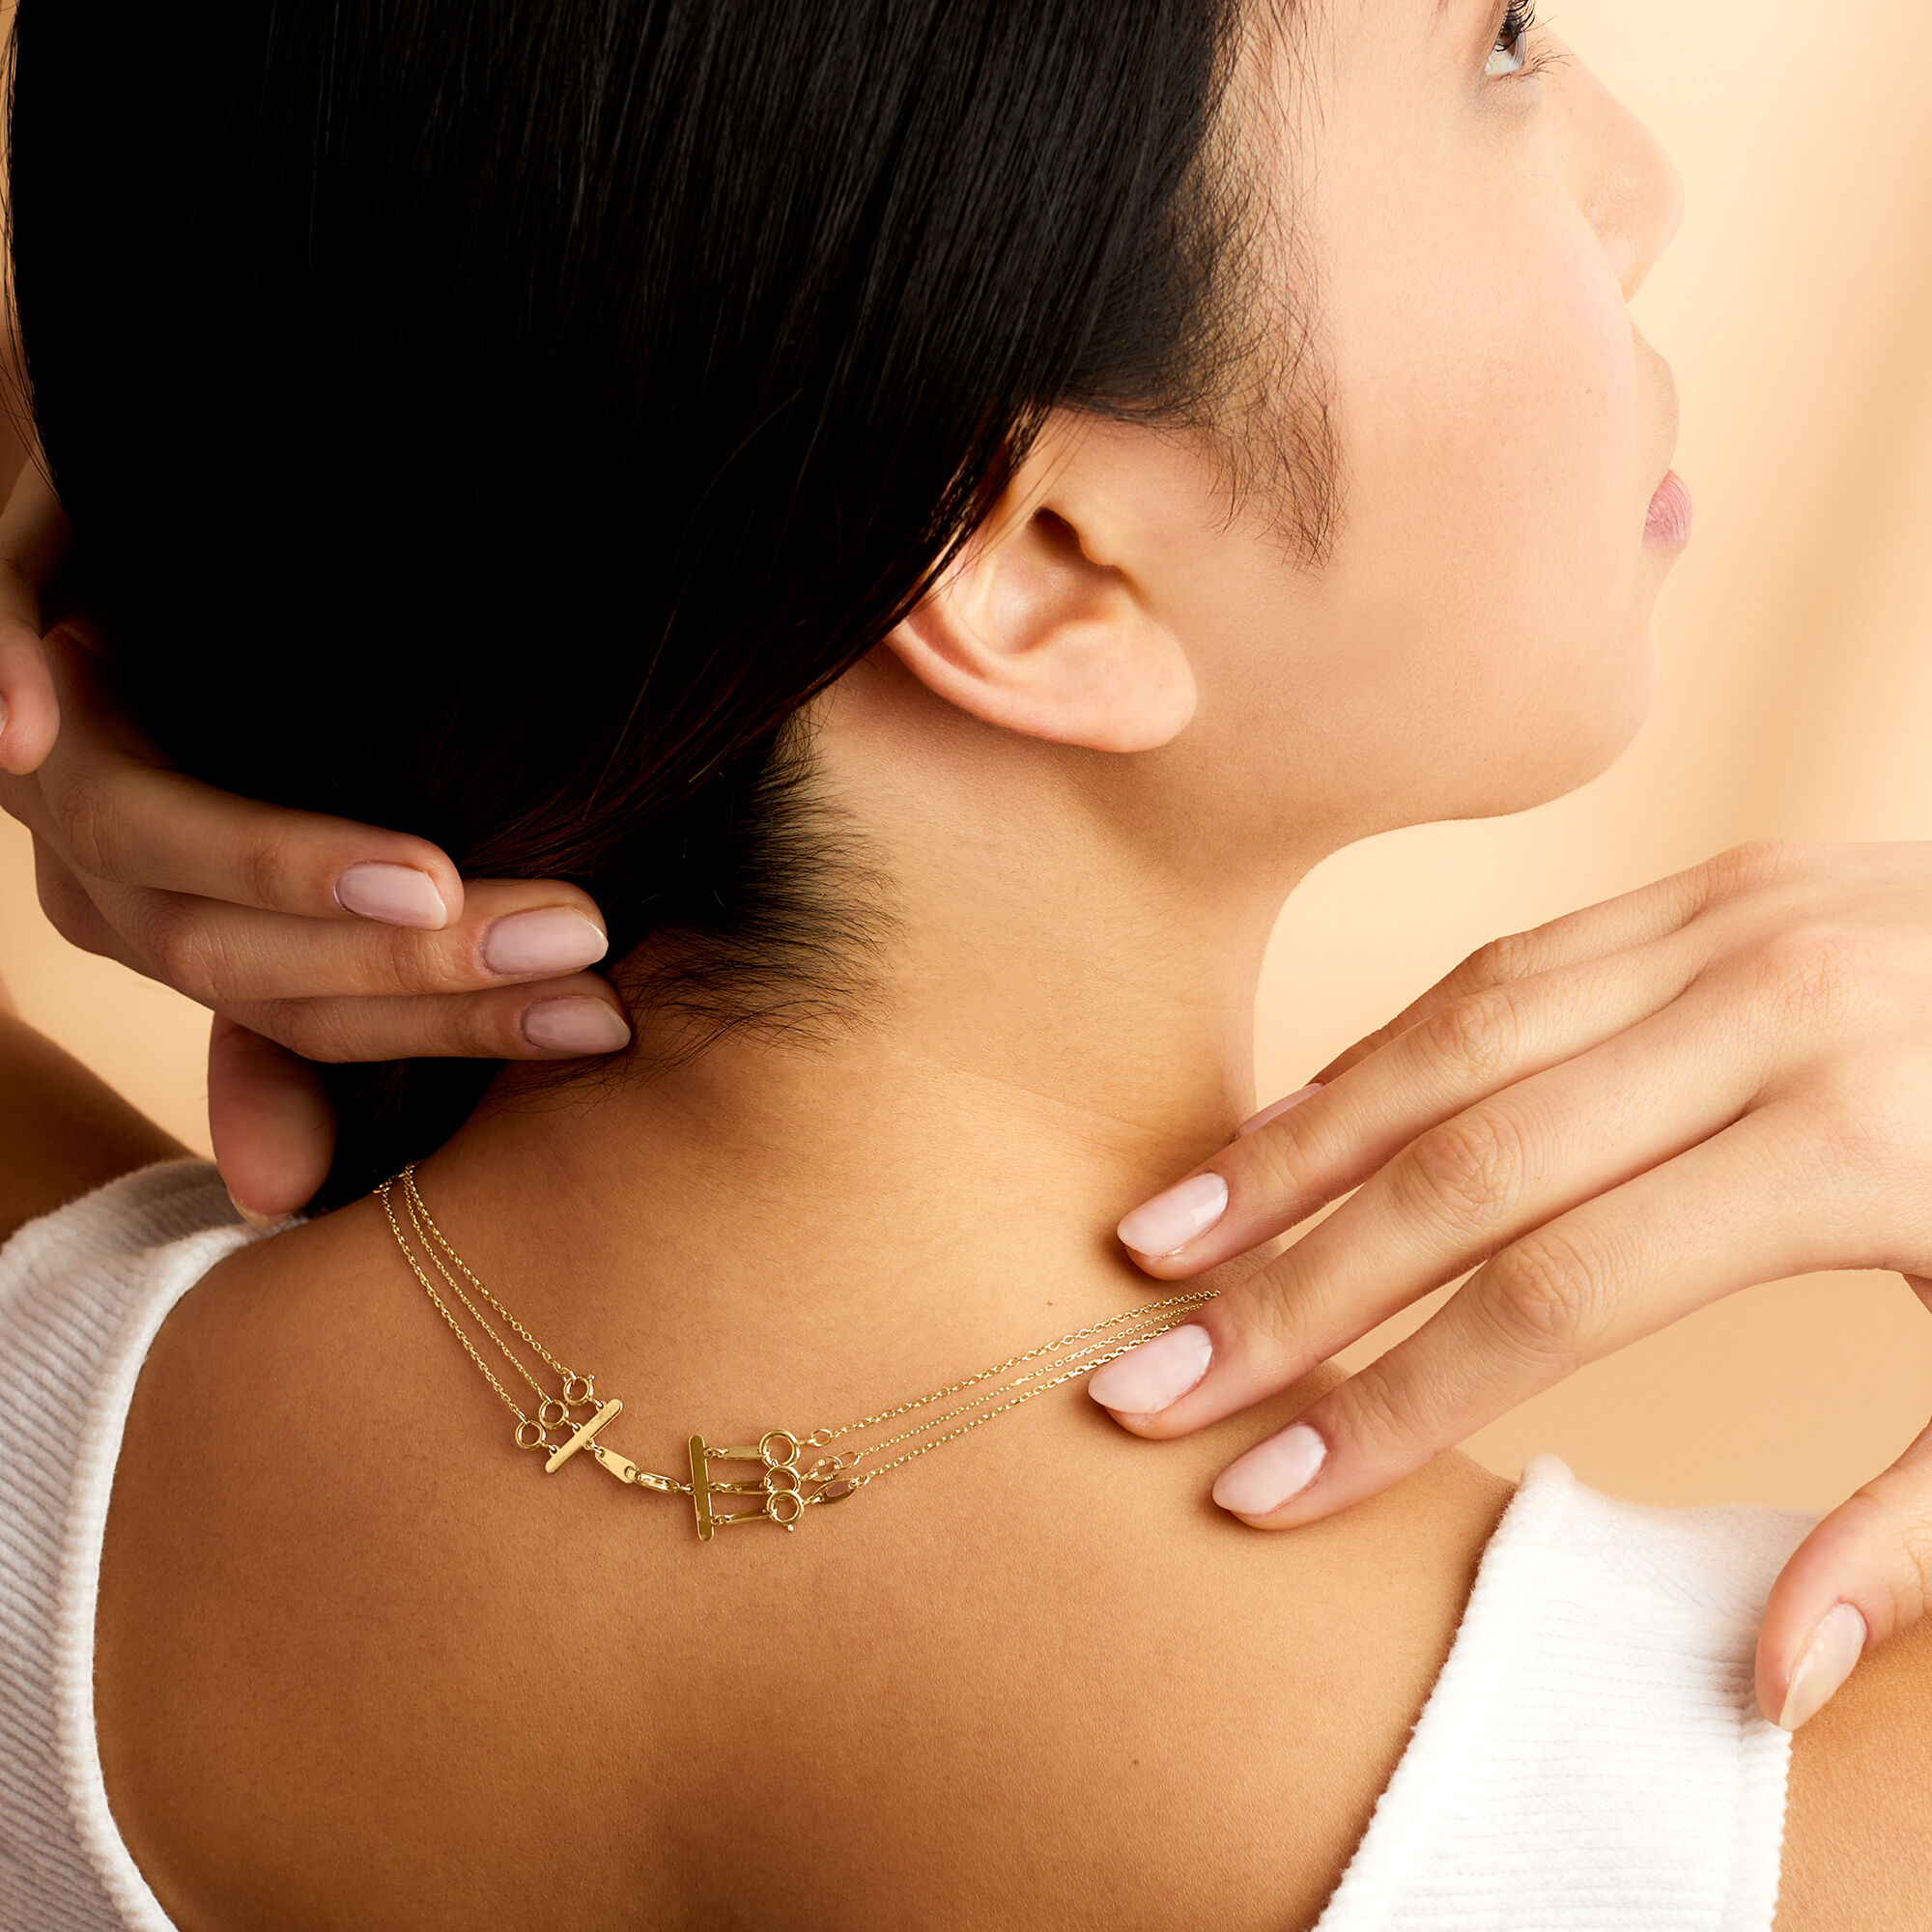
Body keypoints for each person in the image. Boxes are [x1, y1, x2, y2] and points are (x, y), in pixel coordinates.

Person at [0, 1, 1927, 1925]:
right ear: (1048, 571)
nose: (1639, 190)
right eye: (1497, 46)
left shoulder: (50, 1419)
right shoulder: (1779, 1816)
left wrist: (211, 428)